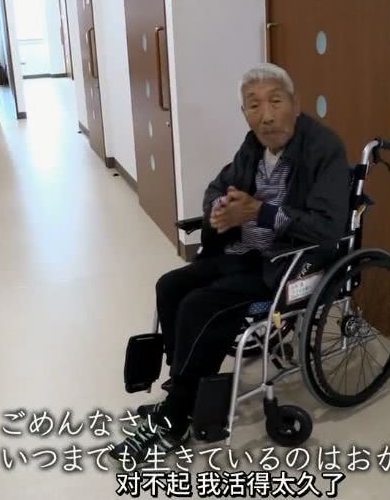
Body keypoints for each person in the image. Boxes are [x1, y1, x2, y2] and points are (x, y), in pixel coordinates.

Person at [112, 63, 349, 466]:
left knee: (200, 305)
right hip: (243, 254)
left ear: (295, 104)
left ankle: (175, 415)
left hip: (286, 265)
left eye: (275, 101)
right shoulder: (253, 145)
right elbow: (218, 187)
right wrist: (219, 209)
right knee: (170, 285)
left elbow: (327, 228)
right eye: (254, 105)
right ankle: (183, 387)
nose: (266, 115)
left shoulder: (323, 148)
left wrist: (258, 211)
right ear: (244, 113)